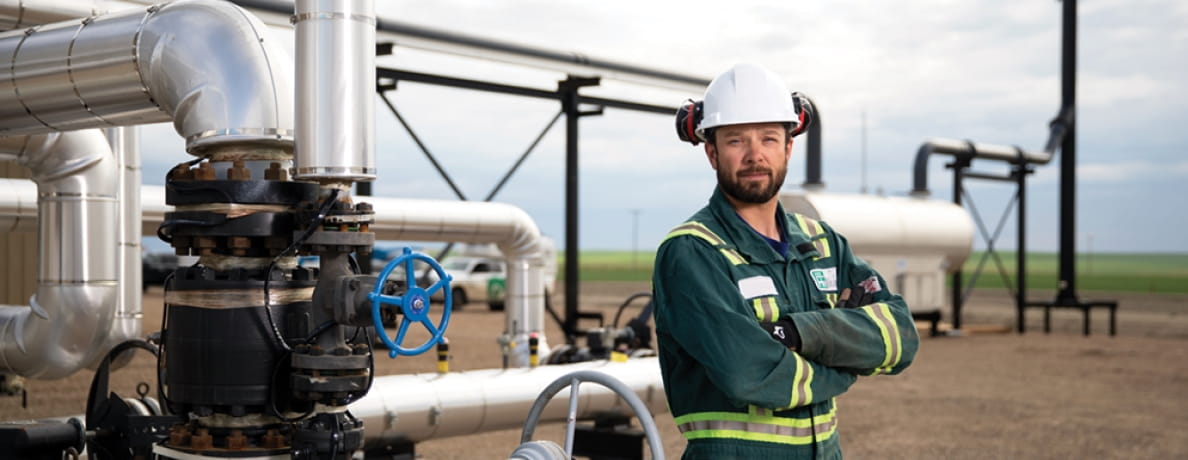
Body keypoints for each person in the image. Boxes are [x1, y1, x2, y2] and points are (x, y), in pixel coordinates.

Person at [652, 62, 920, 459]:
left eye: (769, 139)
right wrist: (845, 365)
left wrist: (796, 334)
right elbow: (749, 374)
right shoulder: (692, 251)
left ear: (788, 147)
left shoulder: (823, 242)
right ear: (712, 153)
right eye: (736, 141)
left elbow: (901, 336)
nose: (755, 155)